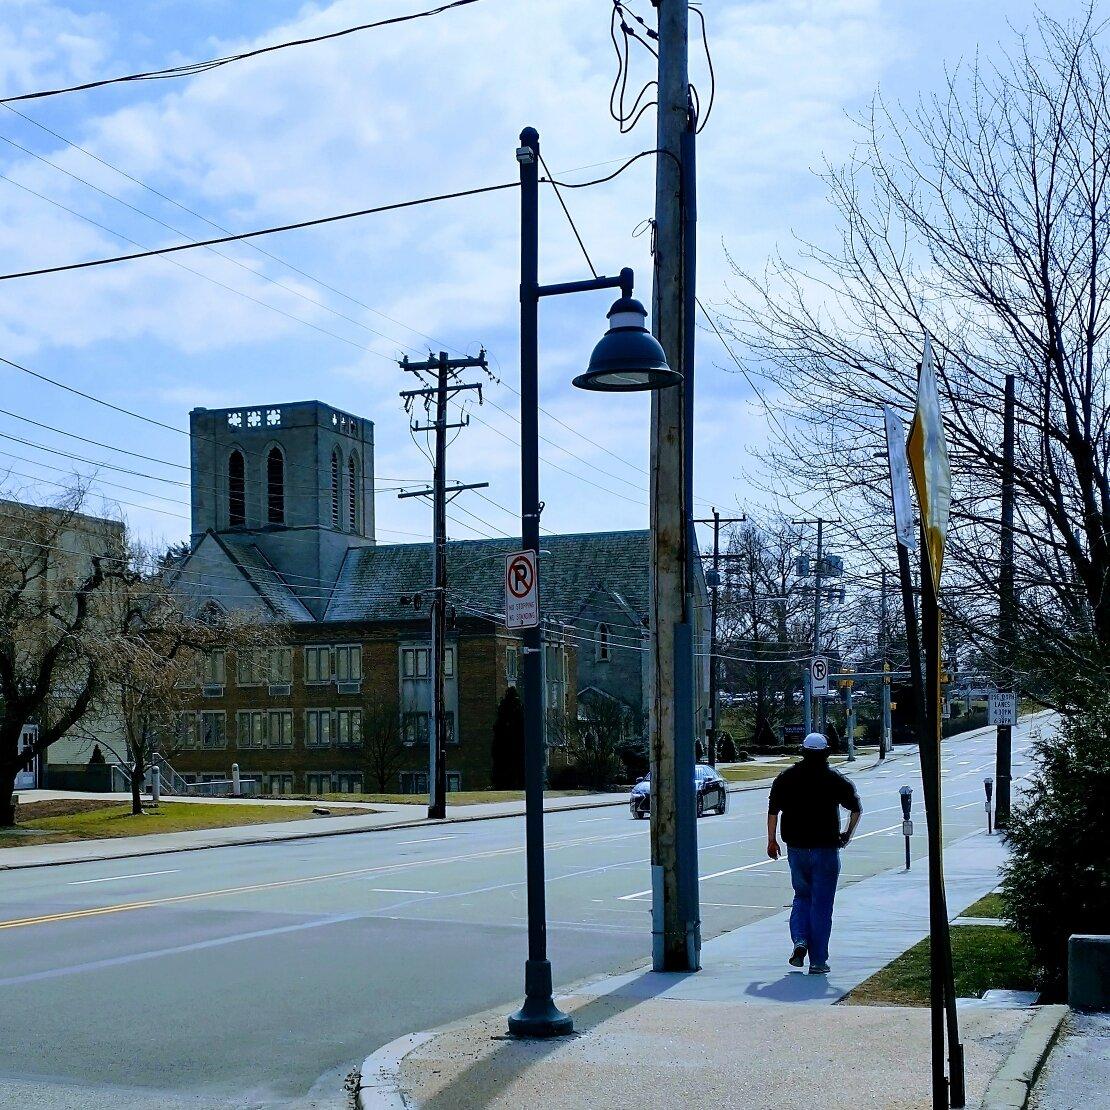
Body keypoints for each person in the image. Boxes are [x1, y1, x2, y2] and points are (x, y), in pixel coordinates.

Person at [766, 732, 862, 974]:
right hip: (826, 849)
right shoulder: (834, 779)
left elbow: (773, 810)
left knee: (801, 897)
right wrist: (846, 834)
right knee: (822, 905)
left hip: (796, 849)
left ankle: (800, 941)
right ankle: (818, 961)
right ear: (826, 753)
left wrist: (771, 840)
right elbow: (856, 809)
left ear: (803, 751)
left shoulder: (786, 778)